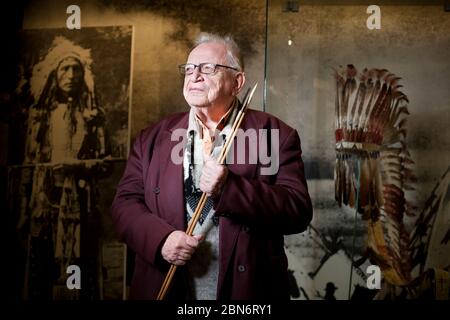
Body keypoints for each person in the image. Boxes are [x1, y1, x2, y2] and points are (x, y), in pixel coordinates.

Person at [111, 32, 313, 300]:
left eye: (208, 68)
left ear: (237, 82)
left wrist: (230, 188)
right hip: (168, 288)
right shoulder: (152, 138)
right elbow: (124, 204)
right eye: (189, 69)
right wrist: (161, 240)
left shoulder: (274, 134)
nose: (194, 76)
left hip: (247, 294)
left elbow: (297, 211)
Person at [24, 36, 107, 164]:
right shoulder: (40, 114)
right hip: (47, 181)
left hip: (80, 182)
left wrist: (90, 166)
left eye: (76, 69)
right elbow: (29, 161)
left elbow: (105, 162)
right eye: (65, 68)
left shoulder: (91, 115)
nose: (71, 76)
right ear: (54, 74)